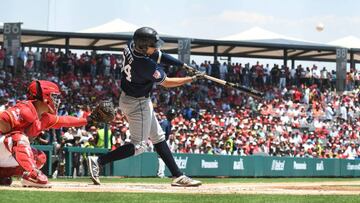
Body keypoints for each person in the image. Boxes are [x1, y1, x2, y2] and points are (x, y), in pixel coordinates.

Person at [88, 27, 202, 187]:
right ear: (143, 46)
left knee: (158, 137)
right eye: (152, 44)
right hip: (138, 103)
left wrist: (182, 64)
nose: (156, 47)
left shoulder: (131, 46)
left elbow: (158, 55)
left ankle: (178, 175)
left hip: (131, 98)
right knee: (139, 145)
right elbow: (167, 82)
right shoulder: (144, 64)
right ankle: (99, 161)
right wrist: (190, 79)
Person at [0, 80, 95, 187]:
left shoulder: (44, 117)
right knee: (18, 138)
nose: (57, 100)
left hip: (3, 152)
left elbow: (65, 120)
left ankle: (2, 175)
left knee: (40, 158)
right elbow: (2, 119)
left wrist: (89, 119)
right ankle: (32, 174)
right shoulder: (25, 109)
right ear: (45, 96)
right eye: (54, 96)